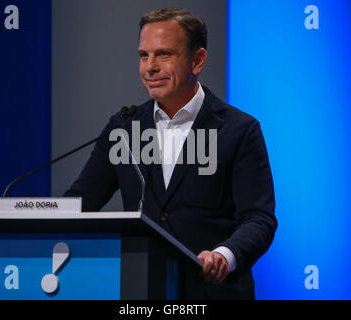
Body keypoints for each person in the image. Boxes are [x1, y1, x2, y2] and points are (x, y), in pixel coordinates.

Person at [65, 8, 277, 299]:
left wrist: (224, 256)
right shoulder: (124, 127)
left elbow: (259, 218)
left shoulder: (239, 130)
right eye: (143, 55)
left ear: (197, 60)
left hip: (212, 293)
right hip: (140, 292)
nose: (149, 67)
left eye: (163, 54)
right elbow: (80, 202)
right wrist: (32, 218)